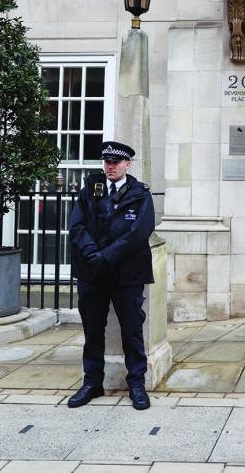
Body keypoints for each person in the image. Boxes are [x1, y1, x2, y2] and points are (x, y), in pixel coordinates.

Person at [67, 140, 155, 410]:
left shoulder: (140, 194)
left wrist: (107, 256)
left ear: (127, 165)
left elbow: (139, 233)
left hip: (126, 274)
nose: (110, 167)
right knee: (93, 331)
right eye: (107, 162)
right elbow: (76, 226)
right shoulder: (89, 189)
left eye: (115, 163)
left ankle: (136, 384)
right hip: (92, 273)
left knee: (132, 330)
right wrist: (93, 254)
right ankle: (92, 382)